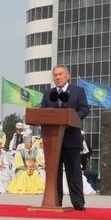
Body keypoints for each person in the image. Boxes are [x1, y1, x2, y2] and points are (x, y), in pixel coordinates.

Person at [40, 64, 90, 211]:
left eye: (61, 74)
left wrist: (71, 118)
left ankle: (78, 203)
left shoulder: (78, 91)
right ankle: (56, 201)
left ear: (68, 75)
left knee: (73, 172)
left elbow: (84, 109)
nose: (58, 77)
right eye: (55, 75)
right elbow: (42, 113)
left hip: (71, 139)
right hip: (53, 141)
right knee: (54, 173)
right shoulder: (48, 94)